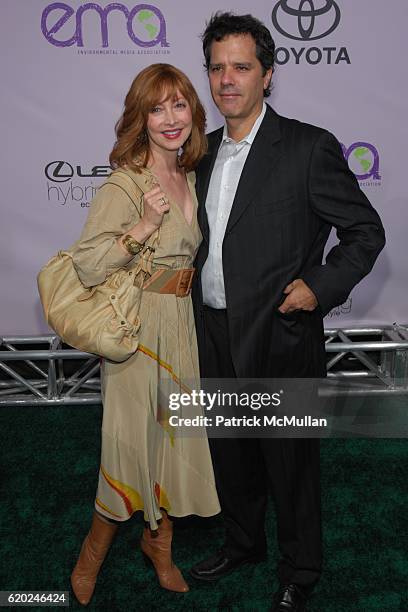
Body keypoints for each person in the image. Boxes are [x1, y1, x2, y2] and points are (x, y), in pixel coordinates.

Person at [190, 12, 385, 612]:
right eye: (217, 67)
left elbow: (364, 231)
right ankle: (243, 543)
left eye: (241, 67)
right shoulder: (199, 153)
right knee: (233, 449)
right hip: (214, 331)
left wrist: (318, 287)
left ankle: (301, 568)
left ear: (268, 75)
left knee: (290, 461)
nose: (227, 80)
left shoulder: (307, 146)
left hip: (281, 333)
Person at [69, 63, 220, 605]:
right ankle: (93, 553)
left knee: (173, 442)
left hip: (182, 324)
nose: (170, 118)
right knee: (129, 444)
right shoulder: (127, 182)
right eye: (157, 108)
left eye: (179, 104)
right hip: (138, 330)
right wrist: (140, 228)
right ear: (141, 118)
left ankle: (160, 547)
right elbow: (87, 265)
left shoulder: (192, 175)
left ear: (193, 112)